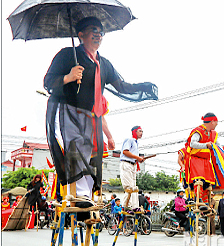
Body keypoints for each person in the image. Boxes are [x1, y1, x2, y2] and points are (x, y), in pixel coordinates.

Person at [44, 16, 157, 207]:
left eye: (101, 32)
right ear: (81, 35)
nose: (98, 35)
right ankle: (78, 195)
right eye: (93, 30)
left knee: (92, 153)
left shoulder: (104, 63)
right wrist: (68, 77)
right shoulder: (67, 55)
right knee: (76, 150)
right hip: (69, 111)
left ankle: (86, 196)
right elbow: (48, 82)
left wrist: (145, 88)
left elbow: (121, 86)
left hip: (92, 115)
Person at [185, 112, 219, 203]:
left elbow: (218, 146)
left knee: (207, 183)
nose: (217, 124)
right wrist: (206, 145)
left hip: (207, 160)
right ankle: (197, 199)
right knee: (199, 180)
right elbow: (192, 143)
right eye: (216, 122)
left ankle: (206, 201)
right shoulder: (198, 130)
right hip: (196, 159)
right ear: (212, 121)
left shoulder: (213, 134)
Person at [120, 126, 145, 211]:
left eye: (142, 131)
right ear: (134, 132)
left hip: (132, 165)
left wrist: (138, 159)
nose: (141, 133)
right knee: (129, 187)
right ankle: (126, 206)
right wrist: (138, 158)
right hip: (126, 164)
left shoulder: (136, 143)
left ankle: (134, 207)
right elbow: (125, 151)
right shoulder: (129, 140)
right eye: (139, 131)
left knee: (134, 187)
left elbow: (134, 156)